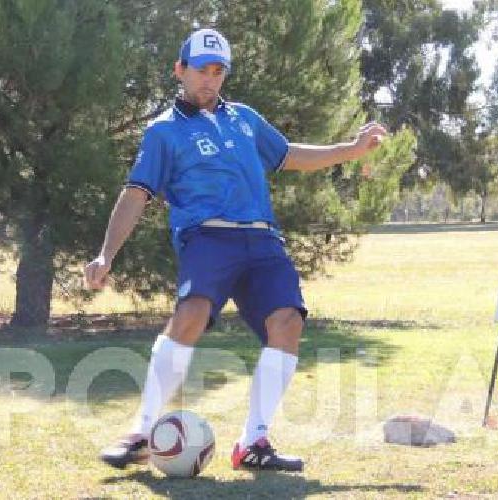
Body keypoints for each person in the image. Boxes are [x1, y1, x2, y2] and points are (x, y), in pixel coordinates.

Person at [84, 28, 388, 472]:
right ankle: (142, 432)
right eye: (200, 70)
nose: (208, 79)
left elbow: (289, 156)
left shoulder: (244, 118)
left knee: (287, 322)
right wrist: (106, 255)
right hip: (207, 237)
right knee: (190, 313)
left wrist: (351, 149)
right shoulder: (163, 132)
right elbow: (135, 194)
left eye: (217, 71)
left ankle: (253, 443)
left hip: (263, 240)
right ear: (179, 70)